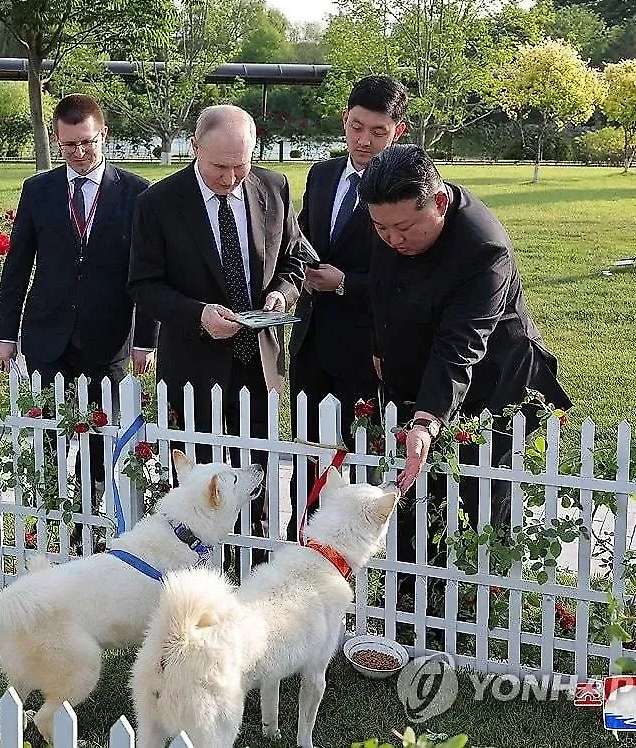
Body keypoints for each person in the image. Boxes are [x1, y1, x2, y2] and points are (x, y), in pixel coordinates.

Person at [360, 144, 572, 599]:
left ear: (438, 203)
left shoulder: (483, 249)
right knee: (416, 494)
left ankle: (473, 600)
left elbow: (461, 345)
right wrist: (381, 346)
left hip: (492, 387)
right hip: (420, 372)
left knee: (476, 500)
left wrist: (427, 420)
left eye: (404, 229)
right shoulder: (390, 216)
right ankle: (411, 595)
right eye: (380, 228)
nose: (392, 240)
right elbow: (382, 287)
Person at [128, 104, 305, 543]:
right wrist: (198, 314)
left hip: (258, 365)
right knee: (198, 484)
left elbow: (296, 259)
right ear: (194, 148)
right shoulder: (158, 203)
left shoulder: (273, 187)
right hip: (193, 366)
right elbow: (144, 286)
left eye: (240, 165)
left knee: (256, 476)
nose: (230, 178)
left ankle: (254, 562)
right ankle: (201, 563)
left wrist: (281, 292)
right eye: (219, 167)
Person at [0, 94, 157, 500]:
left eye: (88, 142)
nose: (80, 153)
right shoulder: (38, 191)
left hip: (109, 339)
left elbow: (150, 273)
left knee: (101, 439)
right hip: (48, 336)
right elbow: (17, 267)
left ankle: (93, 515)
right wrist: (5, 332)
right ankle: (52, 516)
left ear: (103, 134)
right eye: (69, 144)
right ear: (56, 139)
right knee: (46, 435)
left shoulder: (137, 193)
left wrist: (144, 340)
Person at [286, 75, 408, 541]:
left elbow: (407, 271)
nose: (364, 140)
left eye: (378, 131)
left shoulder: (405, 186)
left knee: (359, 457)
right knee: (308, 451)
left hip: (367, 342)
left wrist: (345, 284)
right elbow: (300, 237)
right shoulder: (322, 174)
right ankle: (304, 538)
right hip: (311, 338)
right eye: (357, 127)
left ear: (397, 131)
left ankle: (353, 549)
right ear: (345, 121)